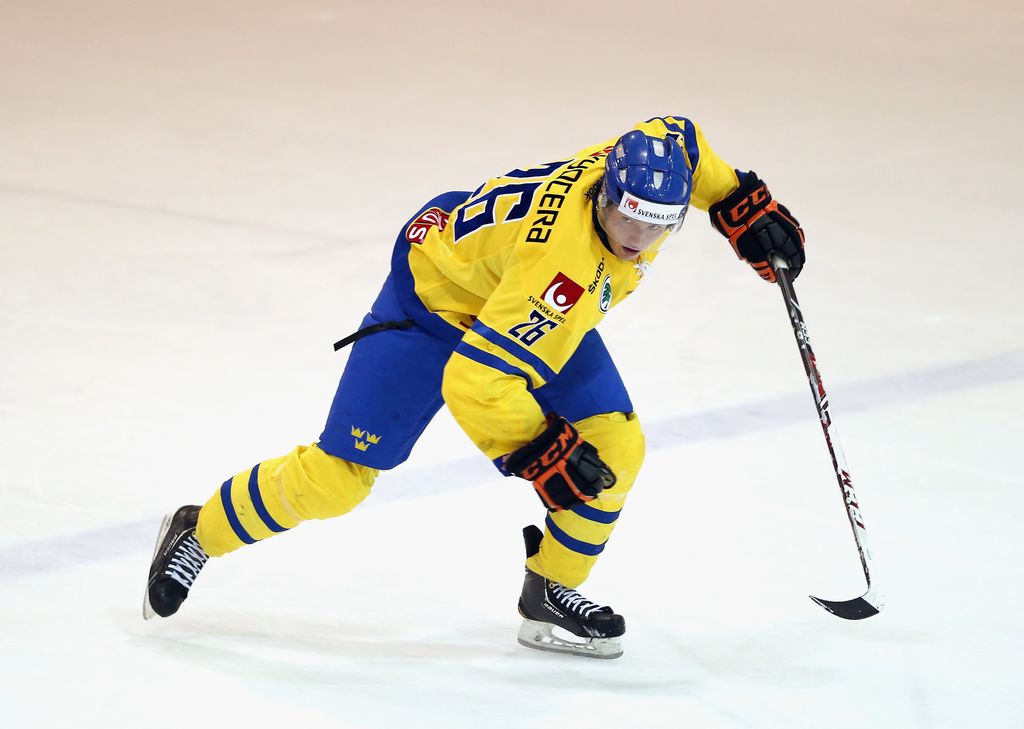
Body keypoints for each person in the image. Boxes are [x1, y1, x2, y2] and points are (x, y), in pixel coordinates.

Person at [143, 115, 805, 659]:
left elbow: (679, 134)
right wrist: (539, 450)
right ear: (605, 196)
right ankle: (199, 531)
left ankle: (550, 589)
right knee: (339, 478)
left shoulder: (629, 169)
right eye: (629, 219)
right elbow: (475, 380)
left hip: (508, 298)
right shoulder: (563, 271)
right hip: (432, 308)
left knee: (616, 448)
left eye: (660, 222)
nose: (640, 239)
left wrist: (736, 199)